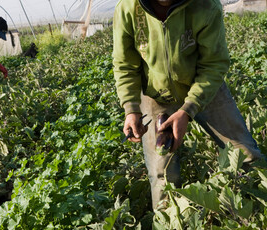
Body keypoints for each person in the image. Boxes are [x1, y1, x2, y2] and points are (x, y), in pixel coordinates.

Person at [112, 0, 265, 210]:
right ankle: (168, 220)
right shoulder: (128, 8)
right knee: (162, 175)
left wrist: (188, 109)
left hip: (204, 88)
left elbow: (214, 64)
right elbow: (125, 64)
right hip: (156, 95)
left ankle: (258, 208)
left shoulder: (206, 5)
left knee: (246, 155)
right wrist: (131, 109)